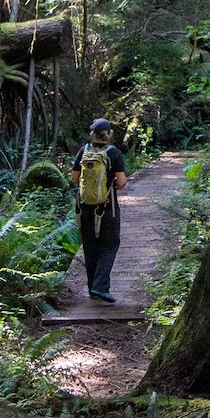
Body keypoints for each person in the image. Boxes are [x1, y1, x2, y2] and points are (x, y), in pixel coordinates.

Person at [70, 117, 127, 302]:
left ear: (91, 134)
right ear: (108, 134)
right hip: (107, 209)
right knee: (109, 245)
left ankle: (93, 287)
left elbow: (74, 178)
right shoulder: (114, 153)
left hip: (85, 208)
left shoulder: (83, 151)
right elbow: (121, 182)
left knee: (90, 247)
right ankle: (100, 287)